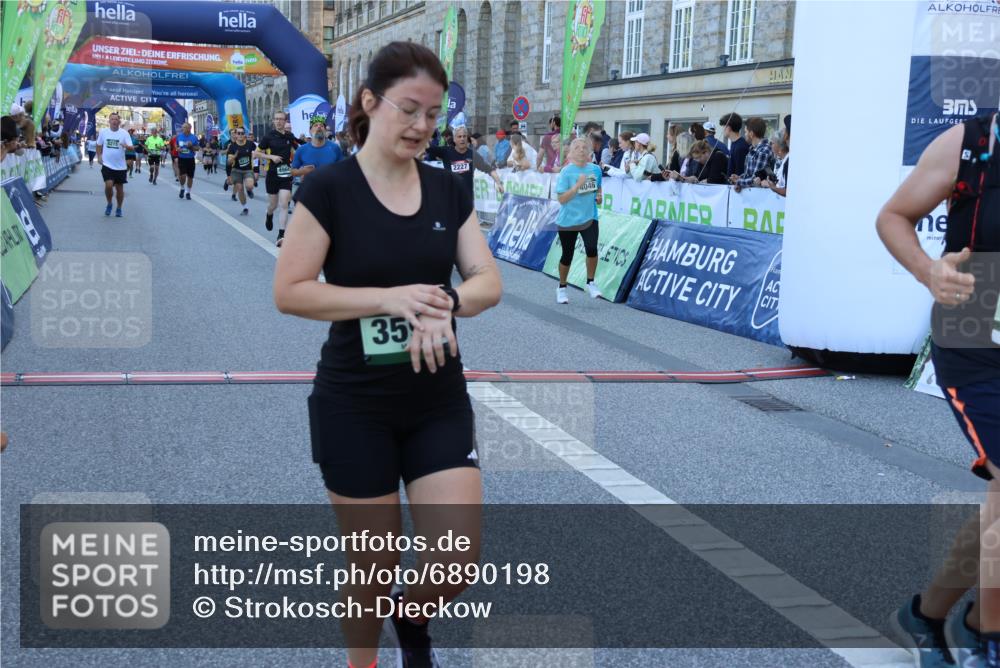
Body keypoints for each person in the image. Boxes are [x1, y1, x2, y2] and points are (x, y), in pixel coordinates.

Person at [272, 40, 502, 668]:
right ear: (370, 103)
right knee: (370, 566)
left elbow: (487, 280)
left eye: (433, 114)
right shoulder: (330, 189)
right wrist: (389, 300)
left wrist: (447, 304)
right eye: (409, 109)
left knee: (456, 559)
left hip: (436, 400)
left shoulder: (449, 189)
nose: (423, 126)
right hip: (355, 404)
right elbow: (290, 292)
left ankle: (414, 611)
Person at [877, 108, 999, 668]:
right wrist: (929, 271)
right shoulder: (971, 142)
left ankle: (930, 614)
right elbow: (894, 217)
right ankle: (987, 633)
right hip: (976, 345)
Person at [554, 137, 604, 304]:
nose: (581, 150)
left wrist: (598, 196)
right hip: (568, 220)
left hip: (589, 217)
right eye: (577, 148)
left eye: (584, 147)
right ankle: (561, 287)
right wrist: (576, 186)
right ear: (571, 152)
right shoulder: (566, 172)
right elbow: (561, 199)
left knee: (592, 248)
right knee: (567, 255)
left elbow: (598, 189)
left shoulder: (596, 170)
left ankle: (591, 282)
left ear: (589, 151)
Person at [255, 110, 300, 245]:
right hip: (273, 174)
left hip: (286, 173)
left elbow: (299, 148)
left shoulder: (289, 136)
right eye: (277, 119)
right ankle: (269, 215)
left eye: (282, 119)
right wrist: (271, 157)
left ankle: (281, 234)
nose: (279, 121)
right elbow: (256, 154)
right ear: (273, 121)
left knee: (284, 203)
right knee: (273, 205)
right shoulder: (268, 137)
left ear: (285, 121)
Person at [426, 125, 504, 198]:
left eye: (464, 136)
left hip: (467, 199)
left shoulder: (473, 154)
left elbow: (489, 169)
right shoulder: (446, 151)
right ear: (454, 139)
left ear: (467, 138)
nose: (462, 139)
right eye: (459, 137)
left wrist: (499, 183)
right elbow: (427, 147)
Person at [95, 112, 133, 217]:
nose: (114, 121)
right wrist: (99, 156)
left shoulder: (124, 133)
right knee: (109, 185)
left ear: (119, 122)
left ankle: (119, 208)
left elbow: (131, 147)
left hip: (120, 166)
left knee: (119, 189)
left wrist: (126, 146)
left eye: (116, 119)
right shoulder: (104, 132)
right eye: (112, 119)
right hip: (107, 164)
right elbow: (98, 145)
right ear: (109, 121)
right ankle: (109, 203)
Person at [730, 116, 774, 190]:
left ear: (751, 133)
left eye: (746, 132)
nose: (744, 134)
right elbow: (750, 174)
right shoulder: (753, 149)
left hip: (760, 198)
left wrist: (738, 181)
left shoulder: (763, 151)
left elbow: (756, 180)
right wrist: (740, 177)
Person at [226, 127, 257, 216]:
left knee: (249, 185)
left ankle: (249, 190)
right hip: (236, 170)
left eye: (242, 133)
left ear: (245, 135)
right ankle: (245, 208)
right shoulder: (232, 146)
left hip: (247, 170)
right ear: (235, 134)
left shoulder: (250, 144)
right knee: (239, 188)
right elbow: (228, 163)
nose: (240, 135)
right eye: (238, 133)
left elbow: (258, 151)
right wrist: (232, 158)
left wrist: (257, 157)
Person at [759, 131, 789, 197]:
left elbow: (788, 191)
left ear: (780, 145)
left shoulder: (788, 162)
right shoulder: (777, 161)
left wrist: (772, 187)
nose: (770, 146)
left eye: (772, 143)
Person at [720, 112, 749, 178]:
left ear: (728, 127)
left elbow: (740, 173)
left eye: (723, 126)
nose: (722, 129)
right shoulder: (735, 143)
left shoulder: (741, 147)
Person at [175, 122, 199, 200]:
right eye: (183, 127)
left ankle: (188, 192)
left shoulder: (194, 137)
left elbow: (197, 148)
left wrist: (191, 146)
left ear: (189, 128)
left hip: (190, 159)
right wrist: (177, 149)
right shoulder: (179, 137)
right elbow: (176, 146)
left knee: (190, 177)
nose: (183, 129)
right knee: (183, 176)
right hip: (182, 158)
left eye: (185, 127)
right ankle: (182, 188)